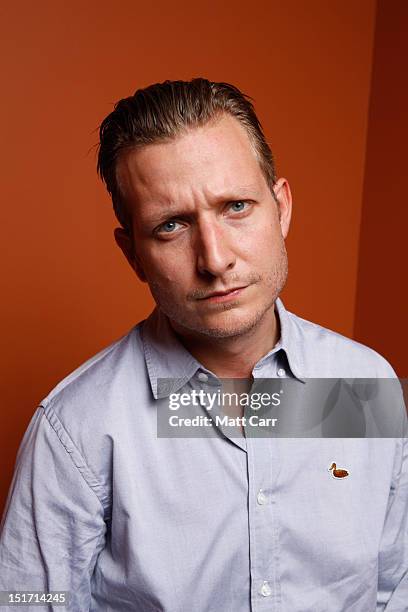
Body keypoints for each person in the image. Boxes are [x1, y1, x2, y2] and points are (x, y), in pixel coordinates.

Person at [0, 78, 407, 611]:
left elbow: (393, 588)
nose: (214, 260)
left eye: (236, 206)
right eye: (171, 225)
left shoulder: (364, 386)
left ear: (280, 209)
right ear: (133, 254)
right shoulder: (75, 427)